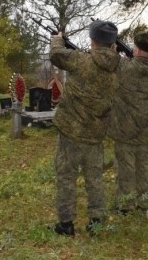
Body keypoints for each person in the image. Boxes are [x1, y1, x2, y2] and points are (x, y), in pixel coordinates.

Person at [49, 20, 121, 236]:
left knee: (66, 176)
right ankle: (96, 220)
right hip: (96, 131)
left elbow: (56, 55)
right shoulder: (118, 66)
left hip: (71, 130)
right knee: (94, 177)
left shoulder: (80, 60)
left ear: (92, 40)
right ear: (111, 43)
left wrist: (56, 39)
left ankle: (66, 223)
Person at [107, 32, 148, 214]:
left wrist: (114, 49)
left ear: (137, 49)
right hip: (144, 124)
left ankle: (126, 204)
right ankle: (145, 200)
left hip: (124, 124)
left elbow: (112, 64)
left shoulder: (126, 67)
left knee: (125, 166)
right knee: (142, 163)